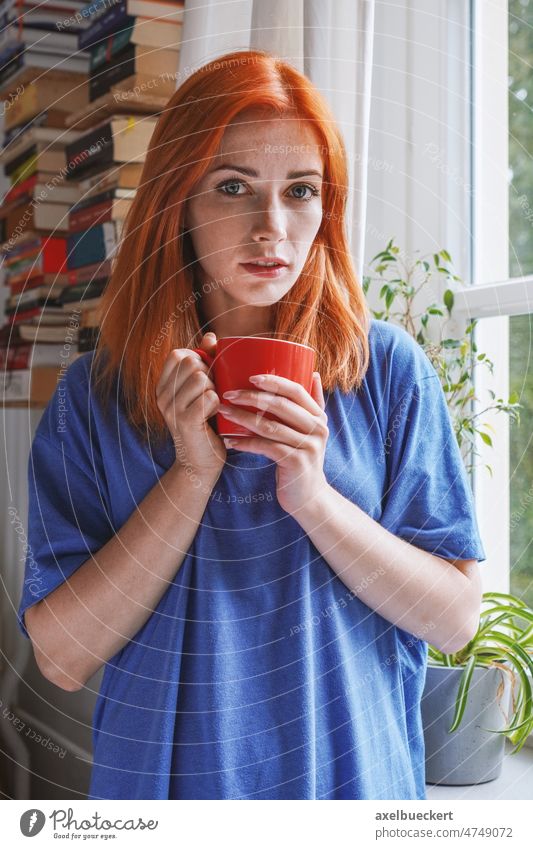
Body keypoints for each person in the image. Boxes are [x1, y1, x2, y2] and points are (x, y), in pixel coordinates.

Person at [17, 49, 485, 801]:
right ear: (179, 203)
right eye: (232, 187)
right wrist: (190, 475)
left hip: (353, 793)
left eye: (299, 191)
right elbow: (64, 657)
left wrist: (312, 493)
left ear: (324, 209)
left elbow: (456, 620)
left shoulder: (387, 370)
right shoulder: (91, 399)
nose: (272, 227)